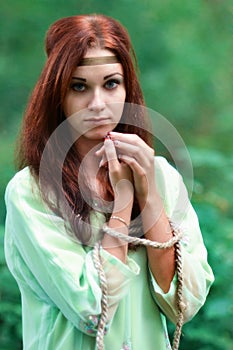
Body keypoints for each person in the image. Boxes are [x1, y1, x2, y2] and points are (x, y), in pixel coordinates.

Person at [4, 14, 214, 350]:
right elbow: (90, 307)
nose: (98, 104)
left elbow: (184, 304)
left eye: (111, 83)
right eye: (79, 86)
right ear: (57, 95)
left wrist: (150, 196)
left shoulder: (162, 177)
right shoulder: (32, 191)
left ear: (128, 86)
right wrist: (124, 200)